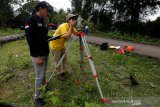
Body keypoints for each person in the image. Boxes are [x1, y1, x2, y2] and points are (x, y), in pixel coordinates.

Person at [25, 1, 52, 107]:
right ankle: (37, 98)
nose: (48, 12)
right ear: (40, 8)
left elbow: (43, 37)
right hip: (38, 54)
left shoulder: (43, 21)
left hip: (45, 52)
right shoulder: (30, 20)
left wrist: (54, 37)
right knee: (39, 75)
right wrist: (37, 56)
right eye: (47, 10)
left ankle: (43, 87)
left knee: (44, 73)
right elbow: (30, 40)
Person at [50, 14, 78, 81]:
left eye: (75, 19)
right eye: (73, 19)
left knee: (64, 58)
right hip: (55, 46)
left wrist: (74, 26)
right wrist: (71, 26)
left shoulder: (71, 26)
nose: (75, 20)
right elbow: (67, 37)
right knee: (58, 61)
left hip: (62, 45)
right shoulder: (63, 26)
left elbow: (77, 33)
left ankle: (64, 71)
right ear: (68, 20)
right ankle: (60, 73)